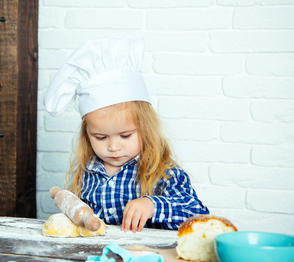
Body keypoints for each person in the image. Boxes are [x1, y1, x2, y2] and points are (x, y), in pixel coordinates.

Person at [44, 36, 209, 233]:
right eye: (101, 137)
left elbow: (199, 216)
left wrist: (152, 205)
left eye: (125, 136)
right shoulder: (86, 173)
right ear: (87, 134)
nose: (113, 147)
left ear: (145, 128)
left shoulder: (163, 172)